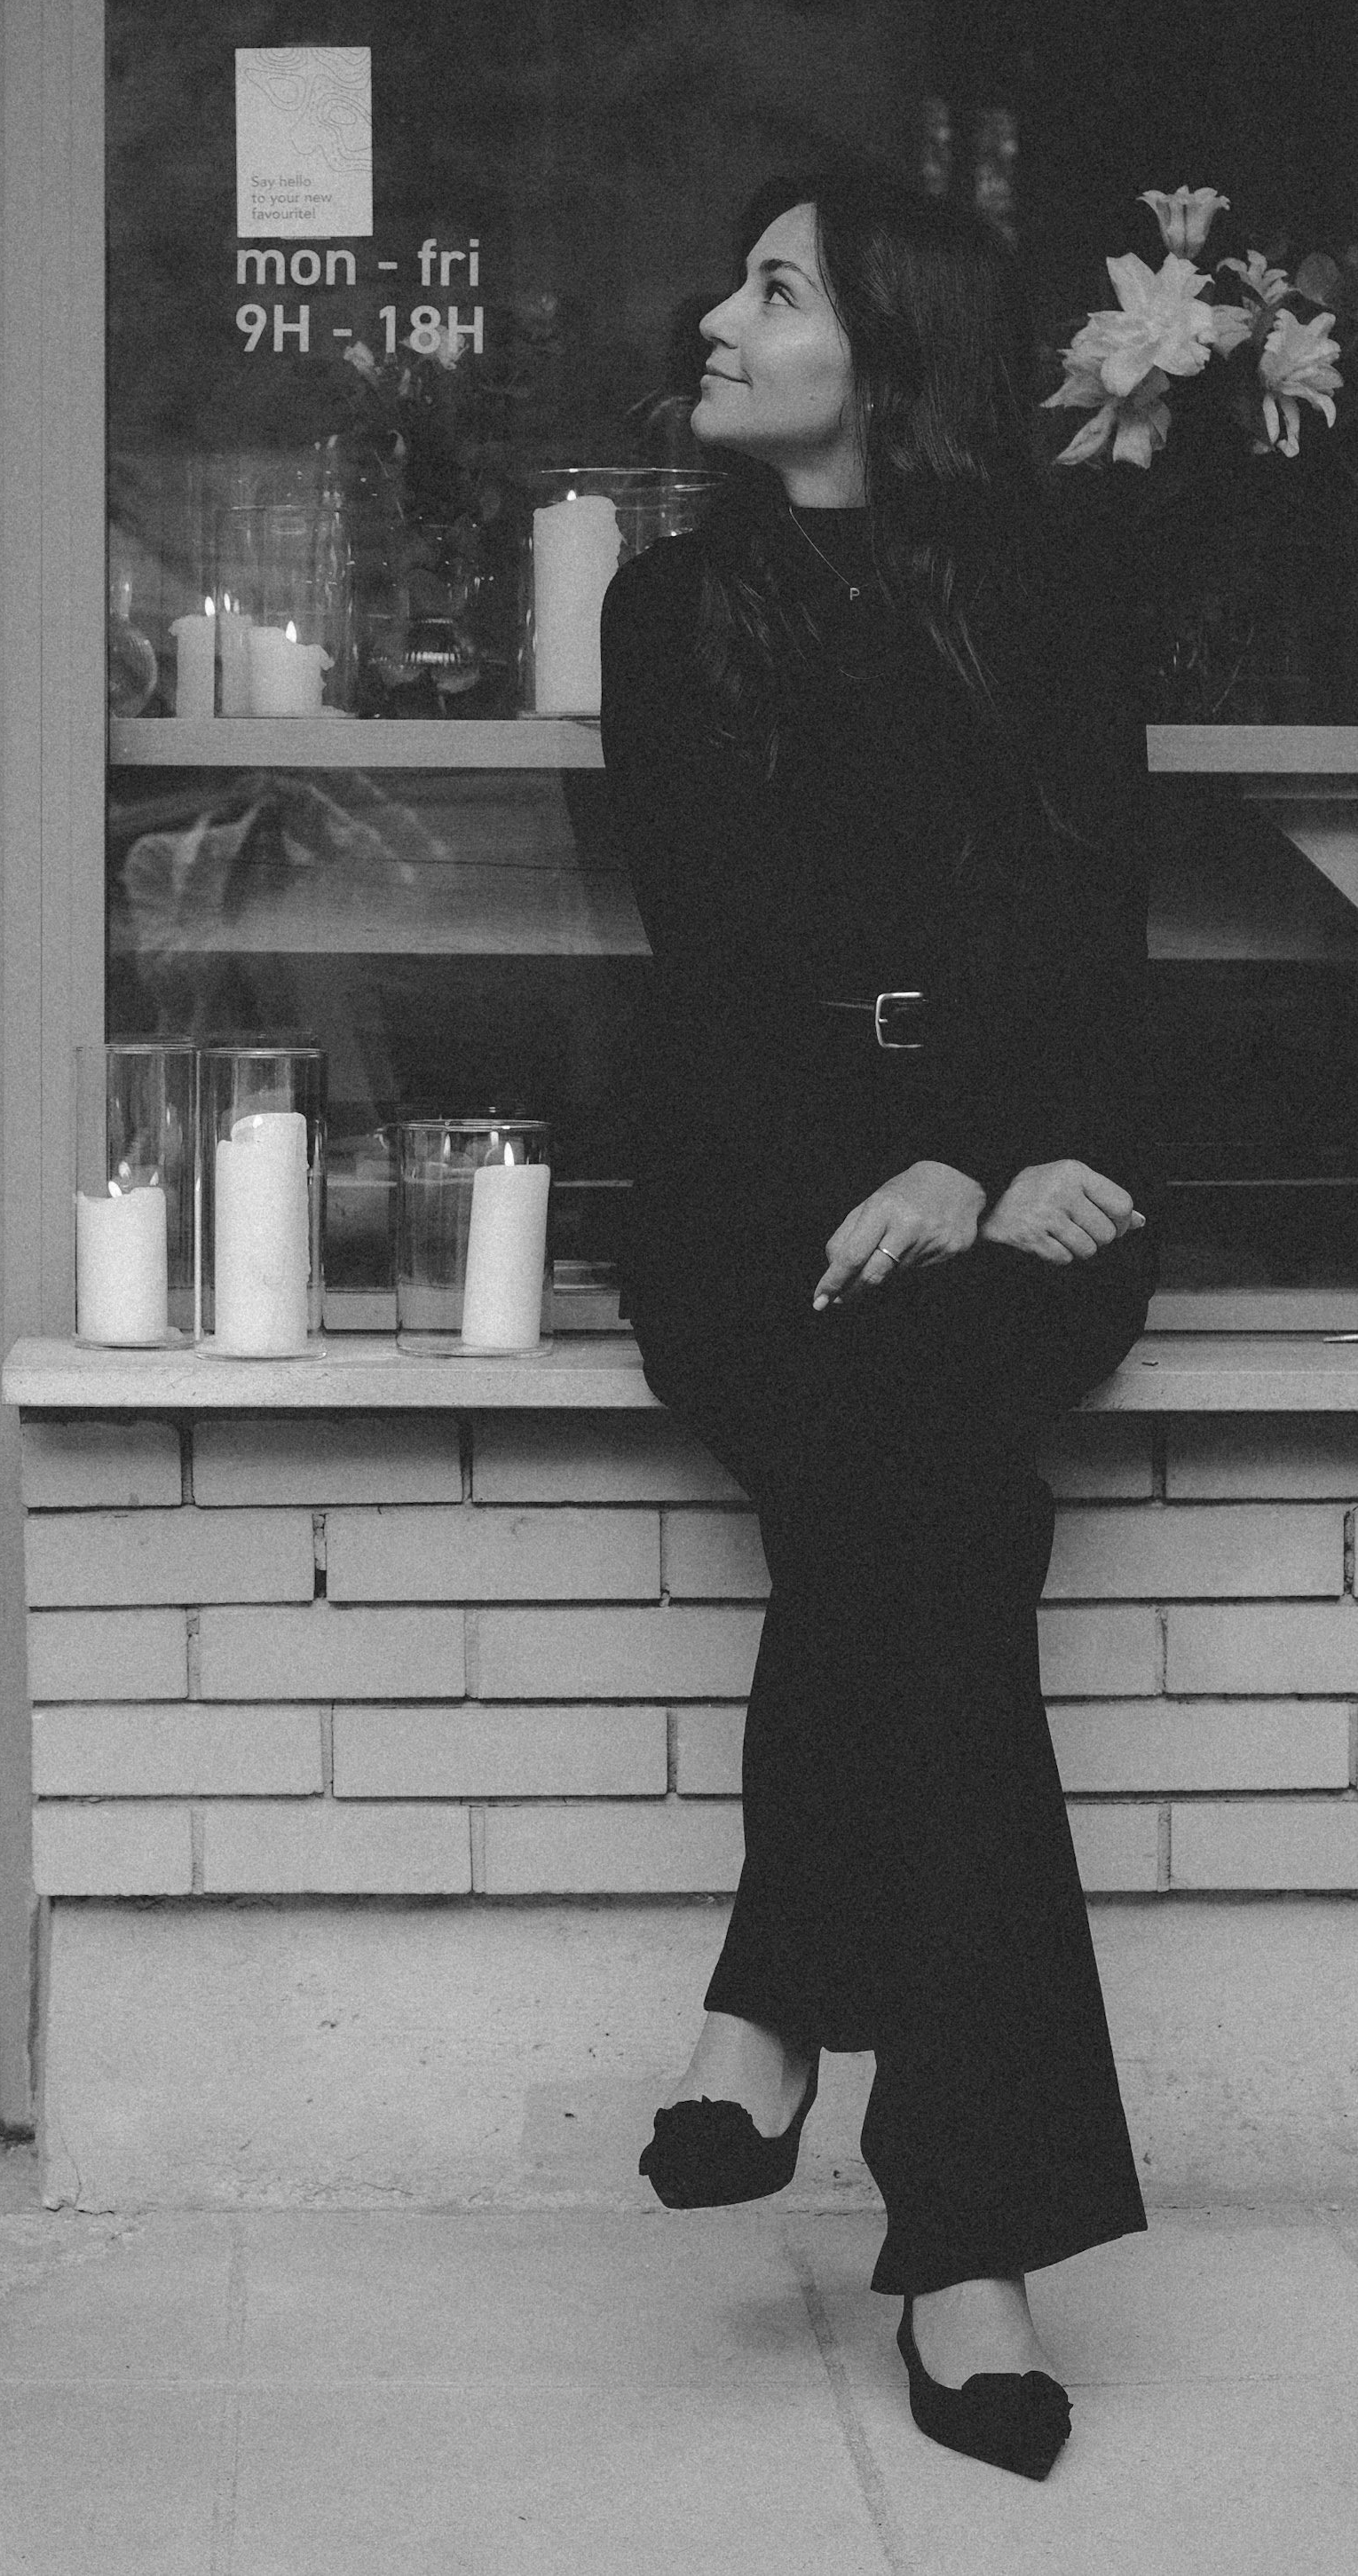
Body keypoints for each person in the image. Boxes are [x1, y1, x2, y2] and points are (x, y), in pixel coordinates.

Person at [599, 171, 1157, 2483]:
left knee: (913, 1460)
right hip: (760, 1195)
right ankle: (973, 2247)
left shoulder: (1044, 602)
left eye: (777, 286)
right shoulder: (669, 612)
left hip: (1033, 1179)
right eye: (737, 276)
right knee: (939, 1507)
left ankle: (777, 1984)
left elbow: (1094, 919)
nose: (718, 316)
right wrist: (891, 1167)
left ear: (885, 351)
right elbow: (714, 970)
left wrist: (996, 1153)